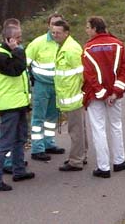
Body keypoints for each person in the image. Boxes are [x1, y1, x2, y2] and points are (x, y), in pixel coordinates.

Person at [0, 21, 35, 191]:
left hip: (19, 103)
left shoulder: (10, 53)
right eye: (17, 38)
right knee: (5, 143)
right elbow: (16, 70)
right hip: (8, 106)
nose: (20, 40)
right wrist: (18, 51)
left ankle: (19, 170)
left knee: (20, 138)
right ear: (8, 39)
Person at [82, 16, 125, 178]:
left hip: (95, 95)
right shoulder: (118, 44)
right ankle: (119, 161)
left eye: (88, 27)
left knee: (99, 129)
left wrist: (102, 93)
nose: (86, 30)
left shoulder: (88, 48)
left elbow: (89, 75)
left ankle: (103, 167)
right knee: (116, 126)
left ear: (95, 29)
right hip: (115, 95)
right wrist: (115, 92)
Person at [25, 13, 67, 161]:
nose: (55, 27)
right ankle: (37, 149)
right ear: (48, 25)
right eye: (53, 24)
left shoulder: (63, 42)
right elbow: (24, 64)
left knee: (51, 117)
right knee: (38, 118)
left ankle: (49, 143)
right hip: (41, 86)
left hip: (57, 86)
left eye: (59, 23)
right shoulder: (38, 43)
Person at [50, 19, 88, 172]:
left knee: (75, 130)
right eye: (53, 32)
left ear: (66, 33)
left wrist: (80, 90)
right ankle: (81, 155)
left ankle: (76, 161)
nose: (55, 35)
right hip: (70, 96)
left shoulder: (70, 50)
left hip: (73, 97)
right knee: (78, 129)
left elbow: (82, 73)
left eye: (58, 33)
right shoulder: (64, 47)